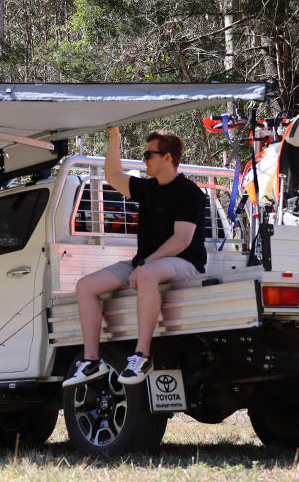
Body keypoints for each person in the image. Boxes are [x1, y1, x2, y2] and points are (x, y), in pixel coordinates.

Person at [64, 126, 206, 387]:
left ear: (167, 157)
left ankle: (142, 355)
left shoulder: (190, 192)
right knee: (85, 287)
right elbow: (114, 175)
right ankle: (91, 360)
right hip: (146, 262)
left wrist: (146, 264)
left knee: (148, 275)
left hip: (185, 263)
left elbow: (182, 240)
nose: (144, 160)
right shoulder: (148, 188)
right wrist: (114, 135)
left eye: (148, 154)